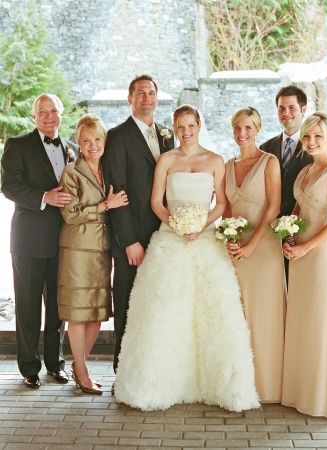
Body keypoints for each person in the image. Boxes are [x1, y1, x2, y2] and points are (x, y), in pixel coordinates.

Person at [113, 104, 259, 412]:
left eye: (190, 125)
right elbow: (155, 202)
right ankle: (160, 382)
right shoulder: (166, 160)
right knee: (165, 309)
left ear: (199, 125)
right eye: (180, 127)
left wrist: (200, 225)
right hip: (171, 239)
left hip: (204, 239)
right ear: (175, 129)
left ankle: (217, 384)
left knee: (212, 310)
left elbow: (220, 204)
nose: (185, 131)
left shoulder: (215, 160)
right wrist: (176, 224)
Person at [1, 93, 77, 389]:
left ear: (61, 114)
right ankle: (29, 367)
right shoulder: (18, 145)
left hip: (63, 240)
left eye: (53, 111)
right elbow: (9, 186)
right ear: (35, 116)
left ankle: (56, 364)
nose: (48, 117)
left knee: (58, 307)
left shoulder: (72, 148)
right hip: (29, 240)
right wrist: (44, 197)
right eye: (42, 112)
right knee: (28, 305)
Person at [102, 74, 174, 373]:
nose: (147, 97)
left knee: (157, 302)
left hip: (164, 235)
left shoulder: (167, 135)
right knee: (127, 303)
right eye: (140, 93)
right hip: (132, 238)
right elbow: (116, 190)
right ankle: (124, 369)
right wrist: (129, 240)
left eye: (151, 92)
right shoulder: (117, 136)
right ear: (130, 99)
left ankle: (154, 367)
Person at [282, 112, 327, 421]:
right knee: (303, 317)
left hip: (321, 254)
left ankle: (323, 397)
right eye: (307, 136)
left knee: (321, 318)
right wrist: (287, 236)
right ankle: (300, 391)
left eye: (318, 137)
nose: (311, 141)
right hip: (299, 253)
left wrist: (307, 247)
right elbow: (298, 210)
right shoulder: (306, 171)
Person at [57, 114, 128, 394]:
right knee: (78, 313)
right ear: (78, 143)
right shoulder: (72, 172)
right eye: (86, 141)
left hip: (102, 249)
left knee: (96, 313)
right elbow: (70, 214)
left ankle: (79, 365)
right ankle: (83, 372)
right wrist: (103, 206)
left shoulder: (109, 168)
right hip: (76, 250)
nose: (92, 145)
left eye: (97, 139)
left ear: (104, 140)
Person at [225, 107, 286, 403]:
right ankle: (241, 385)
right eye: (237, 127)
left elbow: (273, 207)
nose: (242, 133)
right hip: (236, 250)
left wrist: (252, 245)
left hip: (263, 249)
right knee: (238, 316)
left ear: (257, 129)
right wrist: (230, 238)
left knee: (264, 315)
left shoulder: (269, 162)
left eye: (248, 128)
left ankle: (268, 386)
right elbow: (225, 208)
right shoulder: (227, 165)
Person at [260, 85, 313, 216]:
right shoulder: (265, 148)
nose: (286, 113)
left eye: (291, 108)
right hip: (270, 222)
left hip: (304, 221)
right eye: (281, 108)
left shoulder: (314, 147)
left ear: (303, 109)